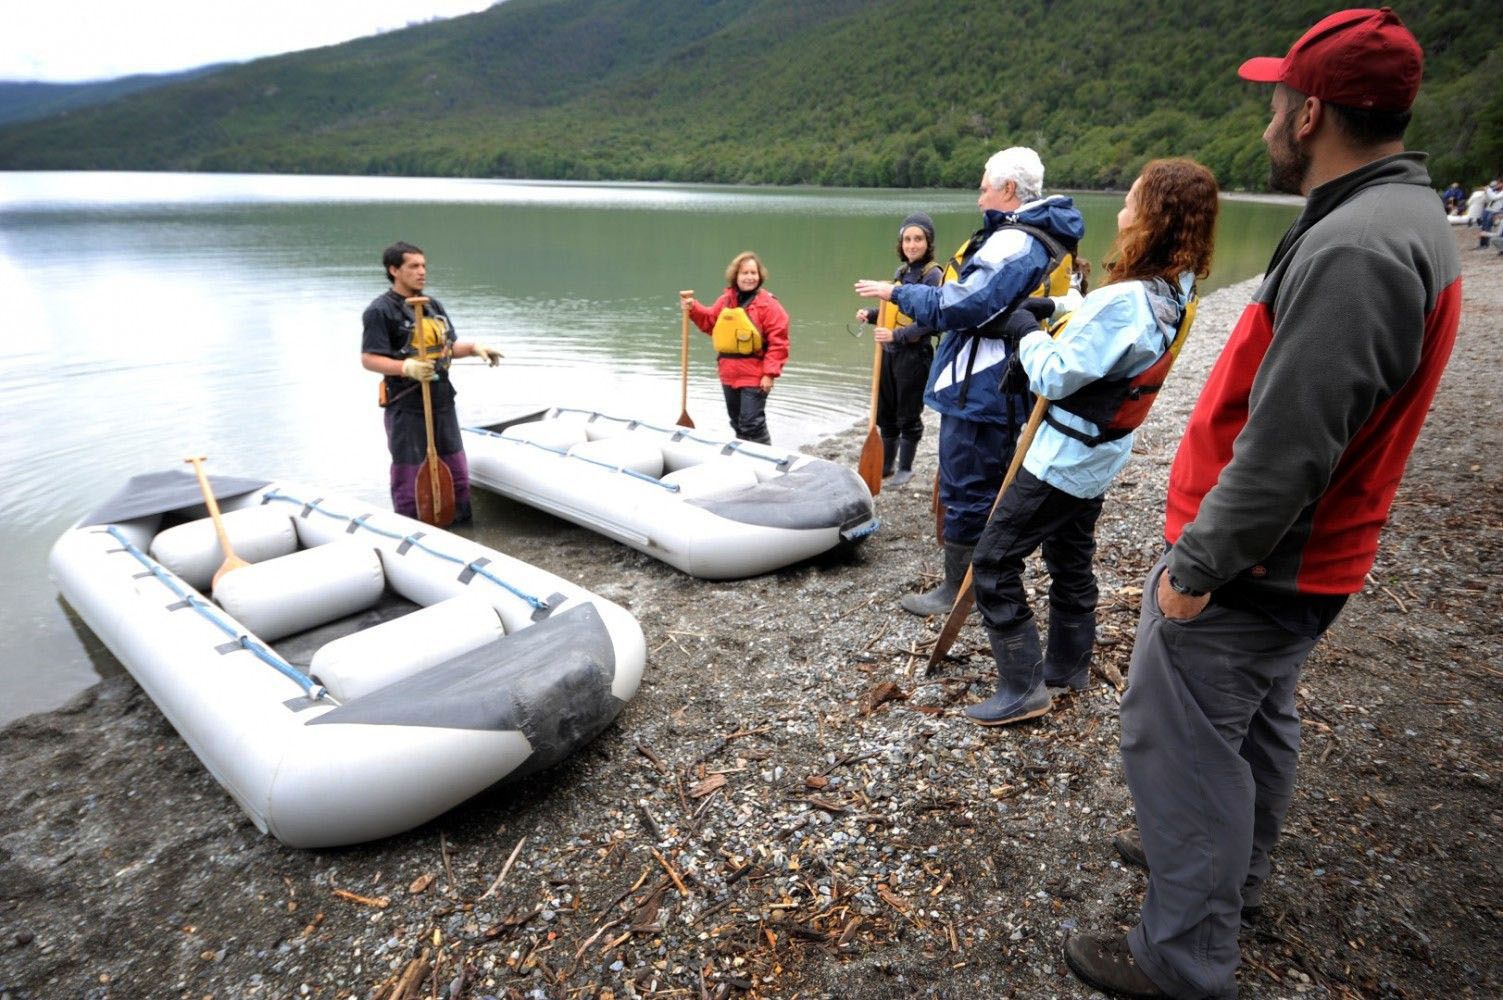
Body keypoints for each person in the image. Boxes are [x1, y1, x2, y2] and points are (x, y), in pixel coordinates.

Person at [1063, 10, 1462, 999]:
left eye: (1277, 101)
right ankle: (1226, 877)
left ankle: (1184, 954)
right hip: (1302, 562)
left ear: (1312, 110)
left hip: (1260, 564)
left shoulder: (1360, 247)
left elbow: (1289, 450)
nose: (1268, 122)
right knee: (1253, 725)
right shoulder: (1387, 217)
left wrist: (1196, 570)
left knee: (1181, 742)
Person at [965, 158, 1219, 727]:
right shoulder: (1176, 290)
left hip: (1063, 456)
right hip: (1102, 453)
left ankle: (1022, 687)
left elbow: (1055, 376)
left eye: (1131, 201)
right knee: (1069, 556)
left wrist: (1026, 332)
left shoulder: (1127, 301)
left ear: (1153, 216)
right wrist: (1053, 307)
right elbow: (1102, 320)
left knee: (994, 562)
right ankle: (1068, 663)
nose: (1123, 212)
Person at [856, 147, 1084, 616]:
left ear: (1008, 190)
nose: (979, 198)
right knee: (978, 481)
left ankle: (962, 590)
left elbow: (961, 304)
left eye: (984, 188)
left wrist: (896, 292)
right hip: (993, 381)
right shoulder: (1033, 237)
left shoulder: (1017, 242)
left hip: (984, 385)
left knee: (968, 484)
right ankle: (978, 583)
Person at [360, 241, 500, 523]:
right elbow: (369, 359)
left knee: (457, 472)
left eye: (423, 265)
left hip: (442, 401)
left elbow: (448, 347)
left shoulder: (433, 306)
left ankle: (460, 527)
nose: (422, 272)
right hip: (406, 405)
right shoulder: (380, 311)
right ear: (394, 270)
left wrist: (473, 348)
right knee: (410, 474)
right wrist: (406, 367)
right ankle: (410, 530)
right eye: (413, 266)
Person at [854, 212, 943, 486]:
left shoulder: (934, 275)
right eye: (907, 239)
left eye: (918, 239)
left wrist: (896, 335)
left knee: (908, 414)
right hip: (890, 355)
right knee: (886, 413)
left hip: (914, 357)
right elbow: (893, 308)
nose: (912, 245)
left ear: (928, 243)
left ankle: (906, 467)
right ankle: (887, 465)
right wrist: (871, 316)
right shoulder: (901, 273)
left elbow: (931, 322)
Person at [681, 252, 789, 445]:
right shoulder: (725, 301)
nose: (749, 277)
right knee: (737, 422)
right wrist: (693, 308)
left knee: (752, 424)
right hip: (729, 372)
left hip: (755, 374)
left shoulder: (769, 305)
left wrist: (770, 373)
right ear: (735, 276)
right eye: (744, 273)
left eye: (753, 273)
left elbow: (778, 342)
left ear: (760, 275)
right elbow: (710, 323)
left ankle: (765, 460)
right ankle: (744, 456)